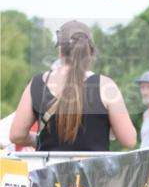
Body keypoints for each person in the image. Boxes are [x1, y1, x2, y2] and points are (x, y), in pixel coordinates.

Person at [10, 21, 136, 151]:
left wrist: (36, 140)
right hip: (94, 165)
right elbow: (129, 140)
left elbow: (17, 135)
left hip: (49, 165)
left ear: (60, 51)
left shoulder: (36, 83)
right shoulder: (106, 85)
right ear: (90, 51)